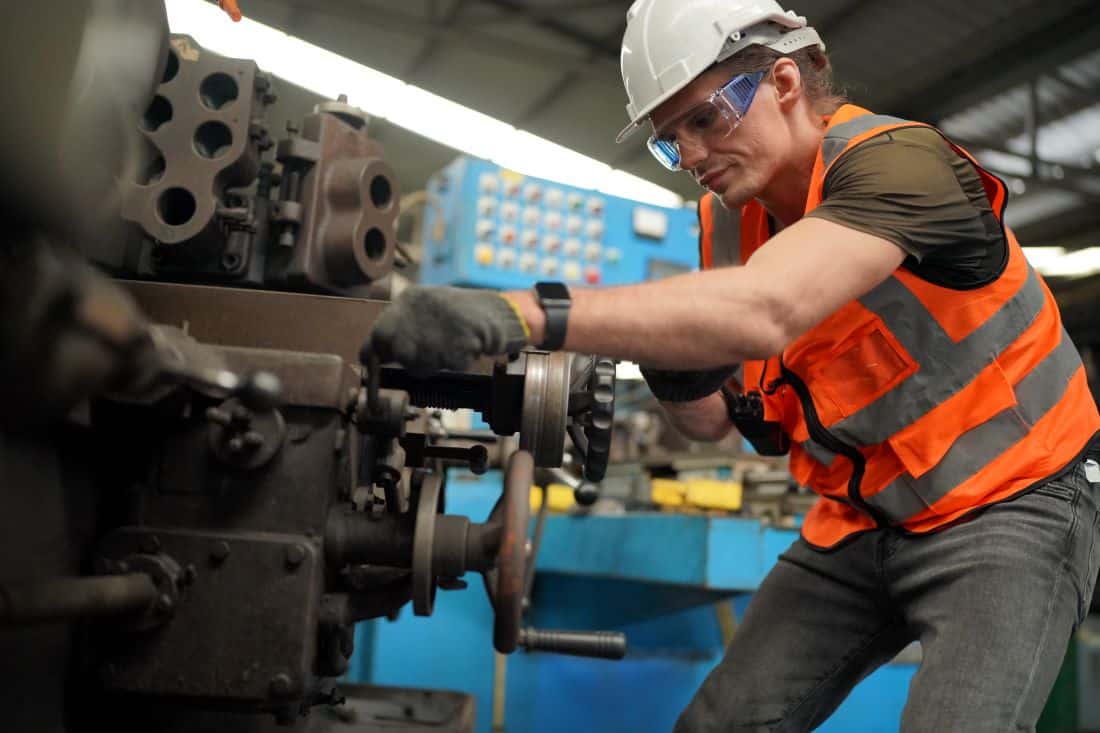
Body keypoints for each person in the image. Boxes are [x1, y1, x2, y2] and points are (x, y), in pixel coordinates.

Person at [363, 0, 1100, 729]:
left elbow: (764, 309)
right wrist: (666, 354)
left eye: (704, 120)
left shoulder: (899, 164)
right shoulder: (725, 222)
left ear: (783, 84)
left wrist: (525, 315)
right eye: (668, 141)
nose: (688, 155)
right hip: (862, 519)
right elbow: (715, 422)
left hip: (1014, 502)